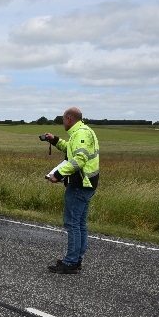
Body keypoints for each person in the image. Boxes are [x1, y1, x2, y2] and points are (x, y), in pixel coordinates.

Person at [43, 107, 100, 274]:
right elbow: (70, 149)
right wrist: (54, 140)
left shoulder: (81, 134)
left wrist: (58, 174)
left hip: (80, 184)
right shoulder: (82, 131)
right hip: (87, 184)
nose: (63, 123)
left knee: (72, 223)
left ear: (69, 118)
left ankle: (71, 262)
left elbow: (79, 159)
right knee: (80, 223)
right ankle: (76, 259)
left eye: (63, 120)